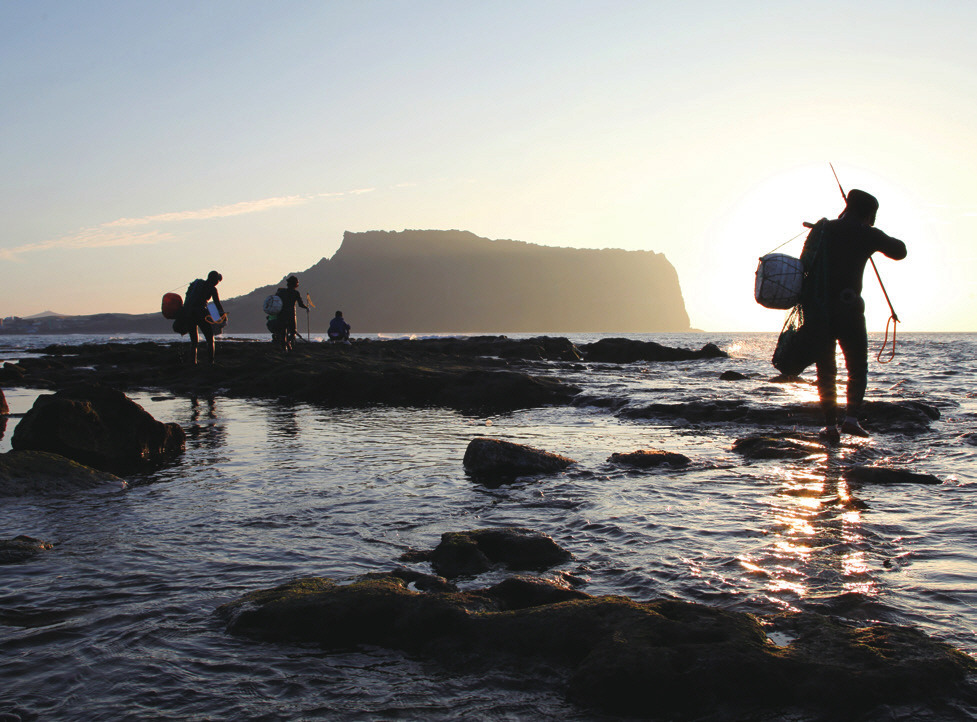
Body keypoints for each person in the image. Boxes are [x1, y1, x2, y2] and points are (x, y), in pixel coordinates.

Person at [813, 190, 907, 442]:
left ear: (847, 207)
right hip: (850, 309)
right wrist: (871, 235)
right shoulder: (868, 234)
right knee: (857, 368)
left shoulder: (824, 229)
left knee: (826, 370)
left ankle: (830, 427)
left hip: (821, 310)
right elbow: (900, 251)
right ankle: (851, 421)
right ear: (869, 214)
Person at [183, 270, 226, 365]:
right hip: (201, 313)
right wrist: (223, 316)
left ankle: (193, 362)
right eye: (217, 281)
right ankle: (211, 362)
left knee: (194, 341)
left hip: (189, 313)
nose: (217, 283)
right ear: (214, 279)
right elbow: (217, 304)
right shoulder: (212, 288)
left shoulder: (198, 285)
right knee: (210, 339)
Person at [274, 275, 308, 352]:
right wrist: (307, 307)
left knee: (283, 332)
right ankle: (288, 343)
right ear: (295, 284)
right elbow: (300, 304)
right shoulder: (295, 293)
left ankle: (285, 347)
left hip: (281, 314)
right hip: (291, 315)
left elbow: (276, 301)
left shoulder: (281, 292)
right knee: (293, 332)